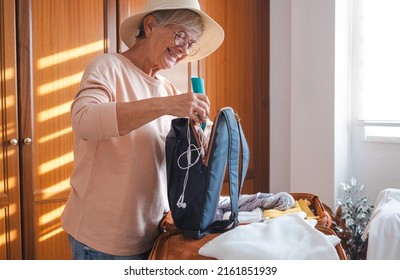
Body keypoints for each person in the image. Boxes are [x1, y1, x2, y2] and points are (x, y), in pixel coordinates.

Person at [60, 0, 224, 260]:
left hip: (153, 236)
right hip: (103, 242)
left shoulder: (166, 88)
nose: (184, 49)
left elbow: (170, 160)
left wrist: (204, 136)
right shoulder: (108, 67)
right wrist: (167, 105)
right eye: (180, 35)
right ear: (150, 26)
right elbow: (84, 120)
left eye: (190, 44)